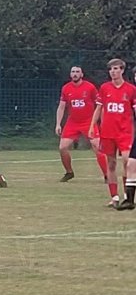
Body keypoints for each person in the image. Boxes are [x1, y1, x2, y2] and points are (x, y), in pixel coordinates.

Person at [90, 59, 136, 207]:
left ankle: (127, 195)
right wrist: (92, 126)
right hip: (108, 132)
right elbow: (99, 108)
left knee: (127, 162)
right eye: (111, 69)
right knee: (111, 164)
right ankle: (114, 197)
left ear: (122, 70)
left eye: (116, 68)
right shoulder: (104, 88)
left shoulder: (130, 89)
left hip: (125, 132)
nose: (113, 72)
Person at [55, 65, 105, 183]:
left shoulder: (90, 87)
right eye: (73, 72)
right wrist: (58, 124)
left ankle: (107, 175)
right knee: (62, 148)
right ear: (70, 74)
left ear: (82, 74)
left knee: (97, 147)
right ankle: (69, 172)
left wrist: (101, 121)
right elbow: (61, 107)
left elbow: (99, 104)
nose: (75, 74)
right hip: (72, 122)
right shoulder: (66, 88)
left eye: (77, 72)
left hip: (88, 121)